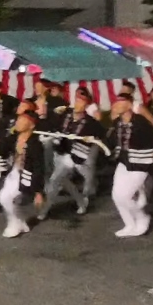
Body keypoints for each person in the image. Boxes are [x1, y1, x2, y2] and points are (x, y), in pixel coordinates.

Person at [39, 91, 105, 219]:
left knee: (55, 180)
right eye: (77, 100)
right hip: (59, 152)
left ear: (86, 105)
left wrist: (90, 139)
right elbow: (52, 125)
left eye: (82, 102)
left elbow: (101, 135)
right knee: (64, 181)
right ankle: (81, 202)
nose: (78, 104)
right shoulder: (65, 114)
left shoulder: (90, 122)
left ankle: (44, 210)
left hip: (73, 156)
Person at [106, 94, 153, 237]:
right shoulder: (117, 122)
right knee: (116, 196)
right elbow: (111, 141)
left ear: (130, 105)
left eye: (120, 102)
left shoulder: (140, 122)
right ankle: (129, 224)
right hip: (124, 161)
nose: (116, 105)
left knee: (124, 196)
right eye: (116, 102)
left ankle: (142, 218)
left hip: (140, 162)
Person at [0, 111, 46, 239]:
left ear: (31, 125)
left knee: (6, 198)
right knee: (3, 197)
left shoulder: (35, 144)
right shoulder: (14, 138)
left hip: (25, 176)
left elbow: (39, 168)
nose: (17, 122)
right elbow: (2, 151)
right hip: (13, 173)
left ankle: (14, 223)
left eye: (22, 120)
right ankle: (20, 222)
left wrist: (38, 192)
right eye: (18, 119)